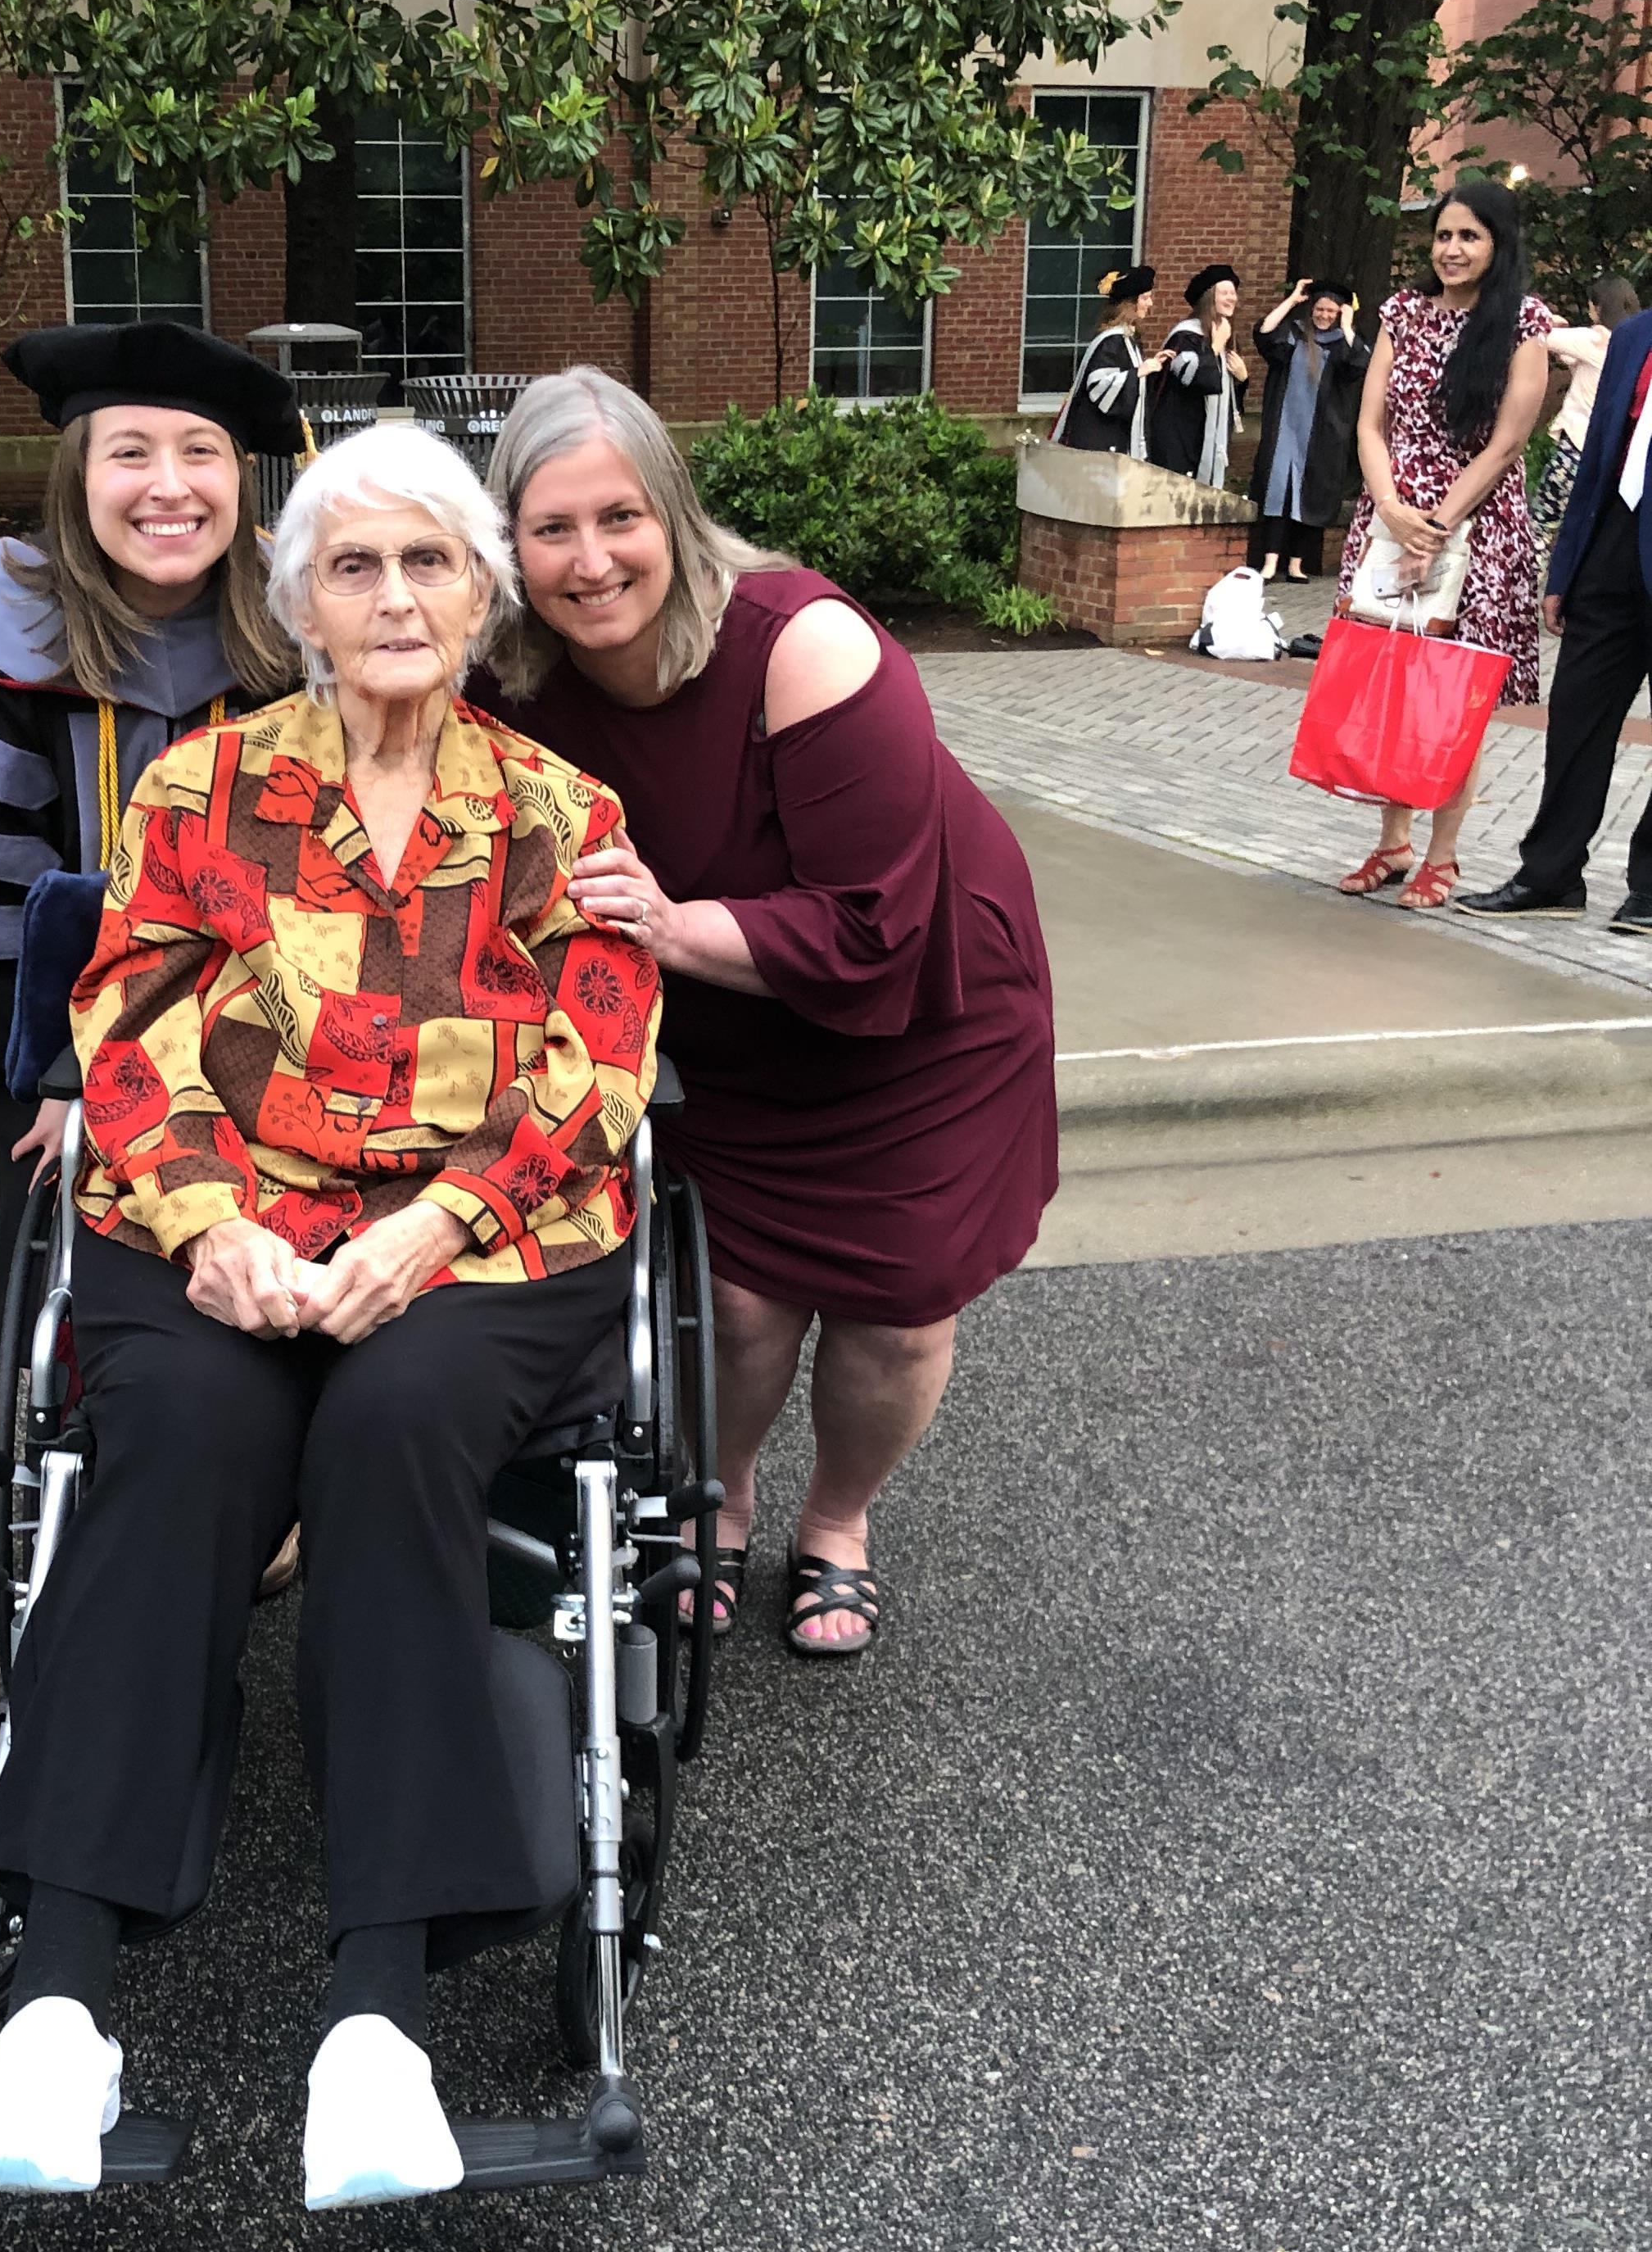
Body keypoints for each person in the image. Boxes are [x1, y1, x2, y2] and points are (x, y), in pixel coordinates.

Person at [0, 422, 663, 2209]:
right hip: (221, 1231)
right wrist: (205, 1225)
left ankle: (378, 2023)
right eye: (357, 566)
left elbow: (600, 1060)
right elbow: (126, 1020)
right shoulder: (204, 789)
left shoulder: (561, 812)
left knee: (395, 1430)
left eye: (431, 563)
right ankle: (56, 2009)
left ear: (484, 597)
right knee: (182, 1433)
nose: (397, 596)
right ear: (302, 605)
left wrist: (435, 1226)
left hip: (484, 1243)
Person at [479, 367, 1057, 1661]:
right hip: (727, 1022)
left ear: (673, 515)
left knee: (897, 1309)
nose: (589, 561)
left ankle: (839, 1522)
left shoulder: (802, 642)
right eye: (551, 528)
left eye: (618, 517)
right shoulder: (508, 678)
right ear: (507, 544)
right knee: (739, 1304)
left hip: (921, 1014)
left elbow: (873, 926)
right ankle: (718, 1502)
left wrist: (669, 925)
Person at [0, 319, 301, 1349]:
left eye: (200, 452)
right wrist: (62, 1071)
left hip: (262, 994)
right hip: (28, 1000)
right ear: (78, 478)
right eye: (130, 453)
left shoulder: (298, 615)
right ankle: (71, 1435)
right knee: (68, 1204)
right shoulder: (1, 631)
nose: (168, 487)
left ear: (240, 476)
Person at [1331, 181, 1556, 909]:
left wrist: (1436, 527)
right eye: (1444, 236)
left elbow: (1507, 442)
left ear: (1499, 245)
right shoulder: (1401, 312)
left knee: (1452, 698)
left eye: (1470, 237)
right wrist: (1393, 511)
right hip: (1391, 518)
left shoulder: (1524, 323)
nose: (1452, 250)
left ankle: (1444, 856)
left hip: (1478, 528)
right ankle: (1393, 844)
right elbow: (1371, 424)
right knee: (1390, 683)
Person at [1460, 290, 1652, 933]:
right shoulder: (1631, 338)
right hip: (1609, 557)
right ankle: (1551, 874)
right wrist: (1566, 569)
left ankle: (1650, 888)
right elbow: (1597, 460)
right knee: (1575, 719)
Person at [1248, 274, 1369, 579]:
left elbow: (1359, 364)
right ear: (1312, 309)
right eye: (1320, 309)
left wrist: (1347, 325)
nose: (1324, 316)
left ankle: (1297, 564)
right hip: (1285, 430)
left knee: (1309, 498)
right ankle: (1271, 562)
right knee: (1278, 494)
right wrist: (1292, 300)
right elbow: (1264, 332)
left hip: (1321, 437)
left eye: (1331, 311)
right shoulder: (1294, 335)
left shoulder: (1344, 343)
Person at [1532, 275, 1641, 541]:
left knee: (1540, 526)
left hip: (1574, 453)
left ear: (1598, 307)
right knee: (1584, 535)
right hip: (1608, 458)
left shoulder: (1594, 339)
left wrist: (1545, 317)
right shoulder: (1632, 348)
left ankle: (1530, 581)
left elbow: (1540, 337)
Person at [1150, 262, 1248, 487]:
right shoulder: (1186, 337)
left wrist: (1242, 379)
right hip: (1180, 437)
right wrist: (1214, 347)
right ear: (1209, 298)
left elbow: (1227, 392)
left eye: (1233, 293)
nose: (1232, 298)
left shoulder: (1226, 337)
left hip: (1205, 437)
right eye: (1225, 293)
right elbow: (1191, 378)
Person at [1050, 265, 1159, 456]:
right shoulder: (1113, 342)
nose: (1150, 303)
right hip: (1098, 442)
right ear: (1129, 303)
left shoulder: (1128, 339)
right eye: (1145, 298)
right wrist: (1138, 373)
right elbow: (1100, 386)